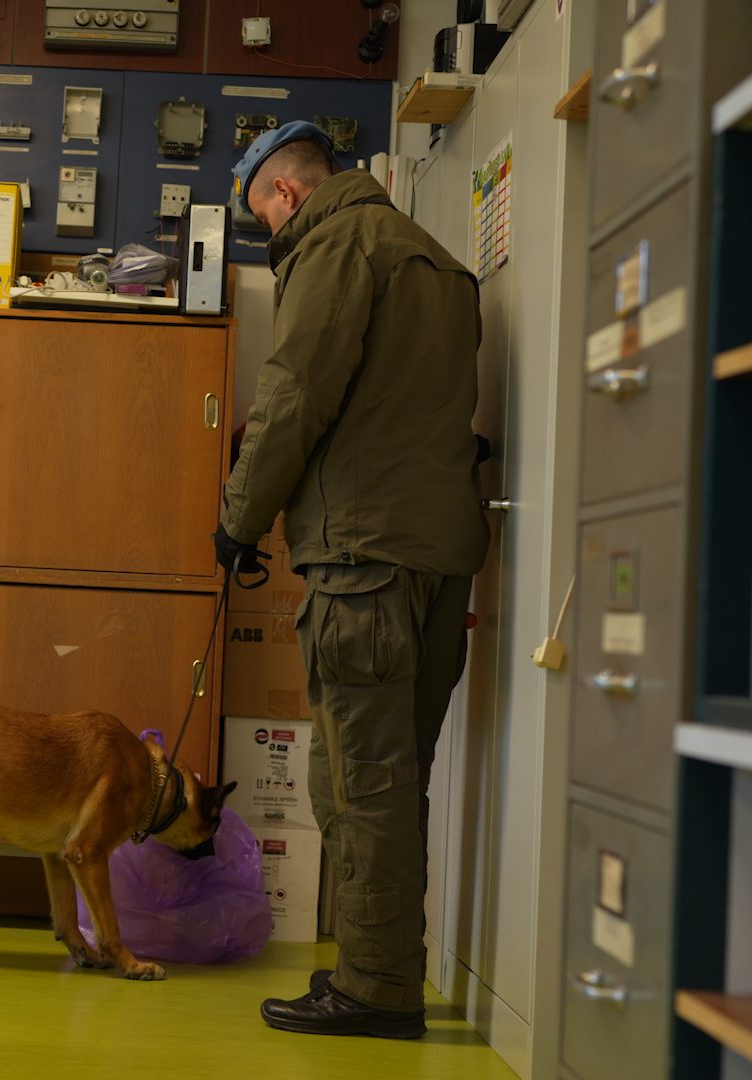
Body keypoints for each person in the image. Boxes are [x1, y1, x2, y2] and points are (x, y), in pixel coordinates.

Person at [214, 122, 489, 1039]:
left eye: (263, 221)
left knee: (351, 780)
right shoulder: (438, 260)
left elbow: (294, 395)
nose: (269, 238)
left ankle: (375, 991)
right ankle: (384, 975)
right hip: (439, 556)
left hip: (363, 558)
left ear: (287, 194)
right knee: (394, 777)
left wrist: (238, 518)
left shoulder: (337, 245)